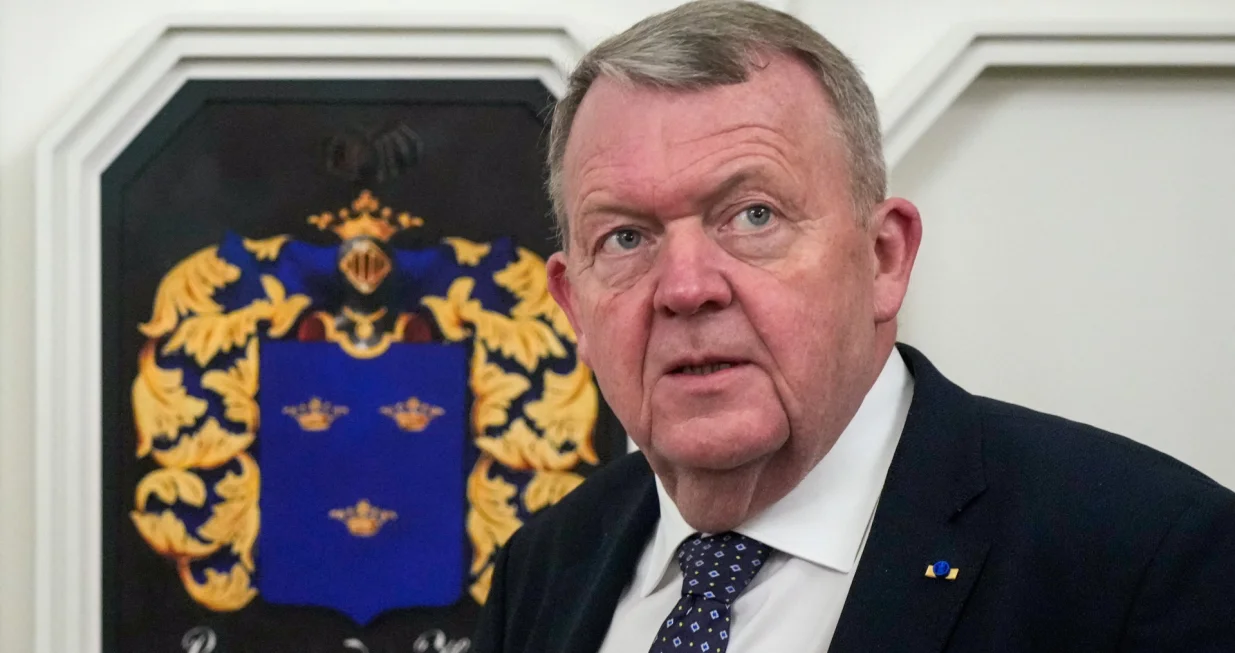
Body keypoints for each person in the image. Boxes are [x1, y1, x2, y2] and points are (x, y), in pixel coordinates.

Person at [471, 1, 1235, 651]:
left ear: (883, 258)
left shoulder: (1149, 557)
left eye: (752, 215)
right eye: (626, 238)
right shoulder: (543, 568)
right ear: (572, 304)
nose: (686, 288)